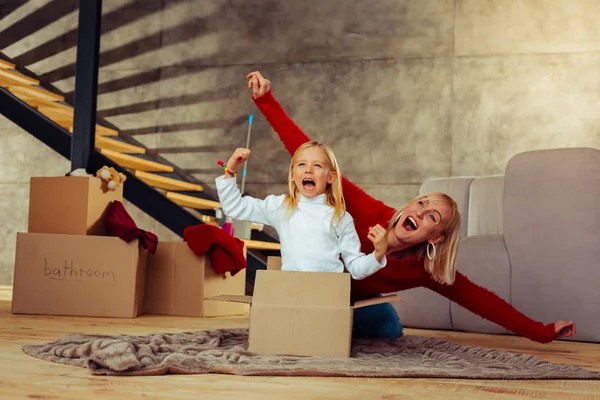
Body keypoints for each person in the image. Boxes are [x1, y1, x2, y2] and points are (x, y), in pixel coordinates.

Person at [244, 70, 577, 343]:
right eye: (420, 204)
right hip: (312, 286)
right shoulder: (364, 208)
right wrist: (265, 100)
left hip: (353, 299)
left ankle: (340, 325)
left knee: (389, 331)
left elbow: (482, 301)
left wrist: (542, 332)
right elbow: (305, 152)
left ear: (435, 238)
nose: (419, 213)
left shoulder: (424, 269)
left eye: (431, 216)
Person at [215, 142, 389, 280]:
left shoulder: (340, 217)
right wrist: (229, 170)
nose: (308, 169)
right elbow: (235, 207)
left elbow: (356, 268)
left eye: (317, 165)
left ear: (331, 177)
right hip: (291, 291)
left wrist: (378, 254)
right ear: (292, 175)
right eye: (302, 164)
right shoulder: (282, 207)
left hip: (327, 295)